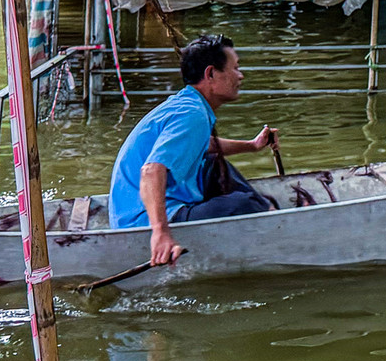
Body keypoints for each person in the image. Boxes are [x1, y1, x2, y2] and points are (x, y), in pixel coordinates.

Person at [109, 33, 279, 267]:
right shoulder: (192, 114)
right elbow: (151, 171)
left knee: (213, 163)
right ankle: (267, 212)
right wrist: (160, 233)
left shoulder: (188, 104)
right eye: (235, 68)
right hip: (141, 220)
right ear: (211, 74)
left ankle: (267, 209)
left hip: (137, 208)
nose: (240, 75)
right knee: (244, 204)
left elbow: (201, 145)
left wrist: (252, 145)